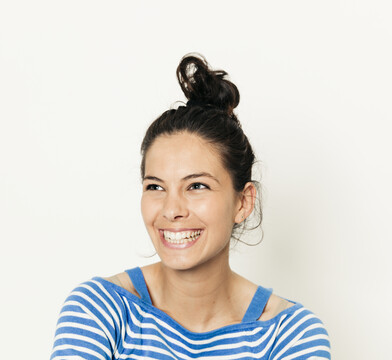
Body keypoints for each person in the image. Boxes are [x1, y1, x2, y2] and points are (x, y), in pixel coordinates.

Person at [50, 54, 331, 360]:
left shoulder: (290, 334)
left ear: (243, 202)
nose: (171, 210)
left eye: (197, 186)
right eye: (155, 187)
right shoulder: (99, 310)